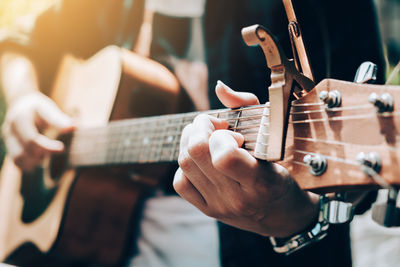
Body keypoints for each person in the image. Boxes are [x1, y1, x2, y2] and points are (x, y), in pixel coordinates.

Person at [0, 0, 384, 266]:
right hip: (91, 244)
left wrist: (293, 217)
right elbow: (19, 42)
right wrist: (21, 99)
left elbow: (355, 171)